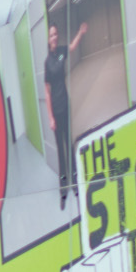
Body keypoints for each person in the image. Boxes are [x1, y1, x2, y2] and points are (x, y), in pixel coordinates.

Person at [43, 19, 90, 207]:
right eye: (51, 35)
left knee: (69, 146)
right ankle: (63, 190)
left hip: (65, 106)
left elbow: (71, 47)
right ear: (48, 40)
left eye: (55, 34)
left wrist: (80, 32)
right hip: (55, 110)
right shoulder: (47, 62)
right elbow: (46, 91)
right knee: (61, 152)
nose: (54, 37)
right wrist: (50, 117)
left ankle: (76, 184)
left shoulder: (62, 52)